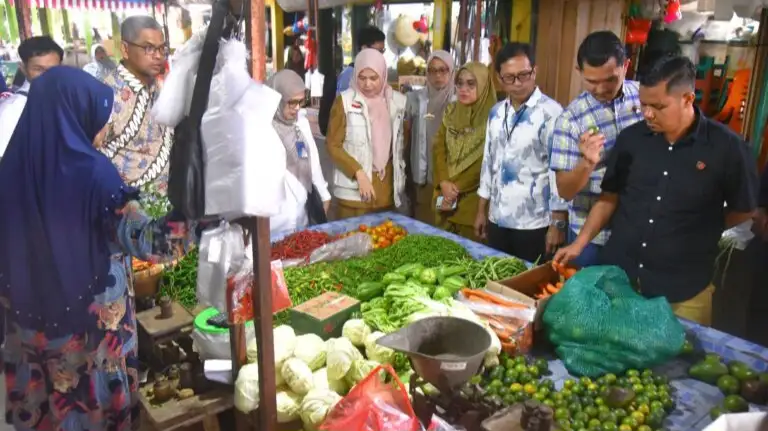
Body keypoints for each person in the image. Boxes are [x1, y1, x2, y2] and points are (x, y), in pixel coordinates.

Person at [0, 67, 184, 431]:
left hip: (27, 329)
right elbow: (154, 242)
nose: (103, 129)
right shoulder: (95, 176)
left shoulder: (11, 169)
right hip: (88, 336)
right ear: (76, 113)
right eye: (100, 115)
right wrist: (193, 214)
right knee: (90, 414)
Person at [554, 56, 758, 326]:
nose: (648, 114)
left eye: (658, 106)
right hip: (621, 283)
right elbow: (609, 198)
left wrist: (706, 227)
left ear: (687, 98)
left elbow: (745, 208)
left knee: (681, 364)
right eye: (644, 105)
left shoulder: (727, 148)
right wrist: (578, 244)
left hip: (683, 292)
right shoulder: (631, 140)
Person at [549, 30, 644, 267]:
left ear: (626, 66)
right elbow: (565, 191)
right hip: (590, 237)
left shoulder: (644, 99)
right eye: (592, 81)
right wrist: (587, 163)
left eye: (610, 79)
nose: (601, 89)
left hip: (637, 230)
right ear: (579, 72)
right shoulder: (570, 120)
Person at [474, 43, 568, 262]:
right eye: (509, 78)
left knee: (529, 286)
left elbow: (558, 173)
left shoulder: (552, 114)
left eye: (523, 75)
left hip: (534, 223)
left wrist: (557, 223)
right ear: (499, 78)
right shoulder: (496, 113)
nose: (517, 84)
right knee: (498, 280)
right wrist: (481, 210)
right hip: (497, 218)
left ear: (534, 71)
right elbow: (489, 163)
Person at [326, 48, 408, 219]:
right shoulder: (345, 102)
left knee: (383, 241)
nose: (367, 84)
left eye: (373, 78)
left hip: (385, 192)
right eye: (362, 78)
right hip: (353, 193)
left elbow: (401, 145)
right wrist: (358, 173)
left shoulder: (398, 102)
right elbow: (333, 145)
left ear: (383, 75)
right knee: (352, 242)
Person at [100, 15, 172, 192]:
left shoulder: (159, 87)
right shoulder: (107, 95)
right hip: (129, 209)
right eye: (148, 48)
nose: (158, 56)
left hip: (165, 204)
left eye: (162, 48)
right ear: (125, 49)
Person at [431, 62, 496, 240]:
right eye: (459, 83)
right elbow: (438, 148)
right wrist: (444, 182)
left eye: (471, 84)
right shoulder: (451, 111)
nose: (463, 89)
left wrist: (456, 188)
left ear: (483, 84)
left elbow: (487, 161)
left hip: (473, 203)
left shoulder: (495, 117)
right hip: (444, 198)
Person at [268, 69, 331, 235]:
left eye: (301, 102)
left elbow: (312, 159)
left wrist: (324, 194)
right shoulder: (262, 126)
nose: (297, 108)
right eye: (291, 102)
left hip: (301, 215)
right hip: (274, 220)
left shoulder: (300, 124)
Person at [405, 50, 455, 224]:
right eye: (432, 70)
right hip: (422, 176)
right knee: (423, 220)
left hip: (449, 179)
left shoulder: (458, 102)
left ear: (452, 71)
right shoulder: (416, 99)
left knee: (444, 219)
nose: (437, 76)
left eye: (443, 70)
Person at [0, 36, 62, 158]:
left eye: (53, 69)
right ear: (23, 68)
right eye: (38, 69)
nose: (47, 76)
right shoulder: (12, 110)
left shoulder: (62, 100)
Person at [318, 26, 386, 136]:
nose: (380, 56)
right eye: (377, 51)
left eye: (382, 51)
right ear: (364, 48)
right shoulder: (349, 76)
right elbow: (345, 115)